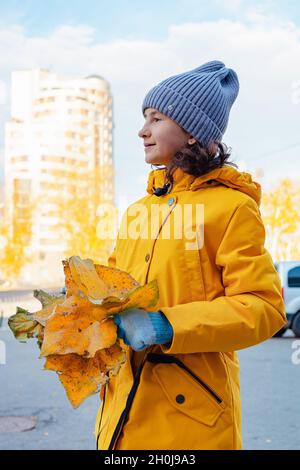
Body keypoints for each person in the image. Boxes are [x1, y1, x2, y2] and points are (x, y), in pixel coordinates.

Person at [94, 60, 286, 450]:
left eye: (156, 118)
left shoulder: (231, 208)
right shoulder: (137, 211)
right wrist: (83, 314)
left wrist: (168, 325)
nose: (142, 130)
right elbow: (113, 289)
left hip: (193, 418)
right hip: (121, 414)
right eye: (144, 118)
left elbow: (264, 308)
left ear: (193, 134)